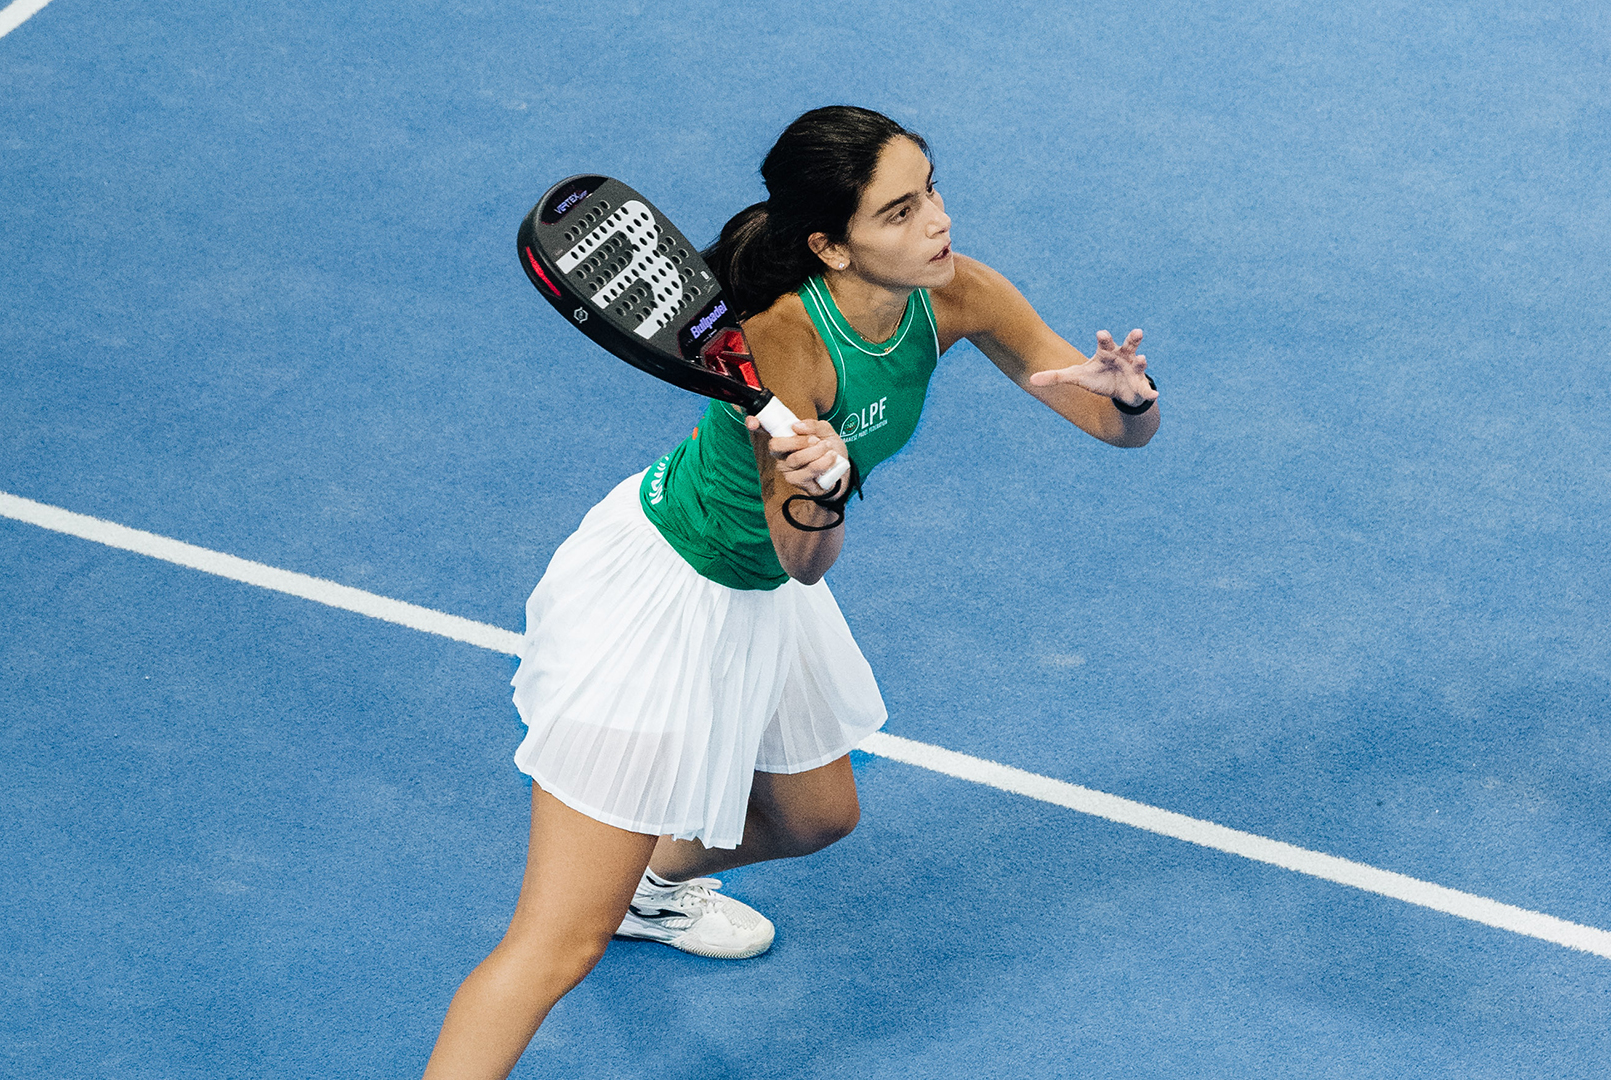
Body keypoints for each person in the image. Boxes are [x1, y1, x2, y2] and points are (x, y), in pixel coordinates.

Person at [423, 105, 1159, 1079]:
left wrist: (1129, 397)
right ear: (831, 246)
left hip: (760, 588)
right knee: (558, 945)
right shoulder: (783, 347)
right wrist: (819, 492)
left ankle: (648, 883)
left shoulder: (957, 293)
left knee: (815, 818)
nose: (937, 220)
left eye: (930, 190)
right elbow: (805, 560)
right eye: (899, 211)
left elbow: (1115, 428)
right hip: (665, 598)